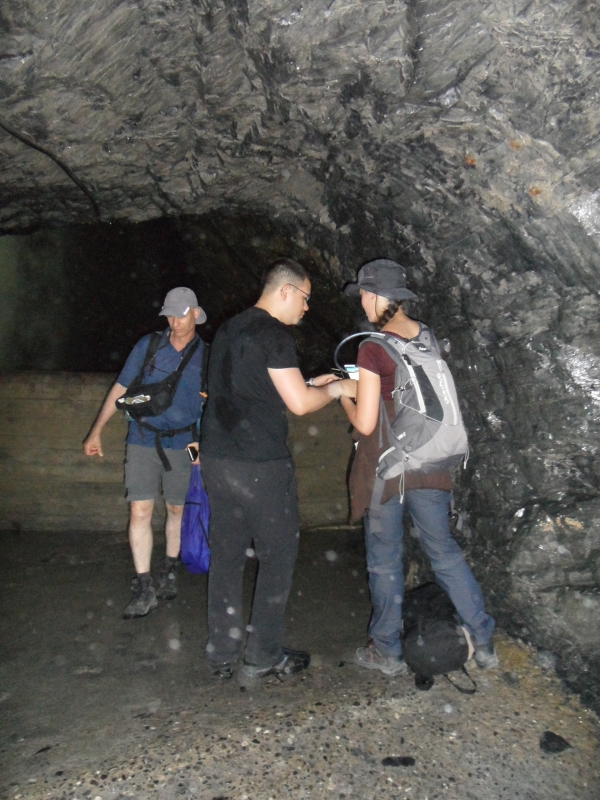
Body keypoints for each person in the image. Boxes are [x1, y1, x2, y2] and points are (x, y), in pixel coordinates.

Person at [339, 259, 499, 676]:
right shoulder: (425, 336)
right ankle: (483, 643)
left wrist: (341, 394)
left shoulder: (372, 346)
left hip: (387, 468)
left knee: (385, 560)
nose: (362, 301)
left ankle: (387, 652)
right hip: (429, 462)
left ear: (375, 296)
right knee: (443, 552)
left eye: (363, 294)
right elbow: (405, 391)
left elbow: (366, 422)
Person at [200, 258, 357, 681]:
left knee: (227, 559)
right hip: (261, 466)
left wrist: (312, 382)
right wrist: (338, 387)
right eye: (304, 298)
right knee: (277, 558)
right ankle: (262, 655)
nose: (306, 308)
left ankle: (221, 652)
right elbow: (300, 404)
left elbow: (253, 388)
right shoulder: (274, 334)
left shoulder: (228, 329)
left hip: (218, 460)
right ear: (286, 291)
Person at [83, 287, 207, 619]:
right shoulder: (149, 346)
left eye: (181, 314)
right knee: (140, 511)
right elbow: (121, 387)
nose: (174, 321)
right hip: (142, 438)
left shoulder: (207, 356)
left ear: (195, 313)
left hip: (184, 443)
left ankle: (169, 569)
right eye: (169, 315)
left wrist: (204, 442)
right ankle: (143, 586)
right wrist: (96, 430)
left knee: (177, 510)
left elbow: (214, 403)